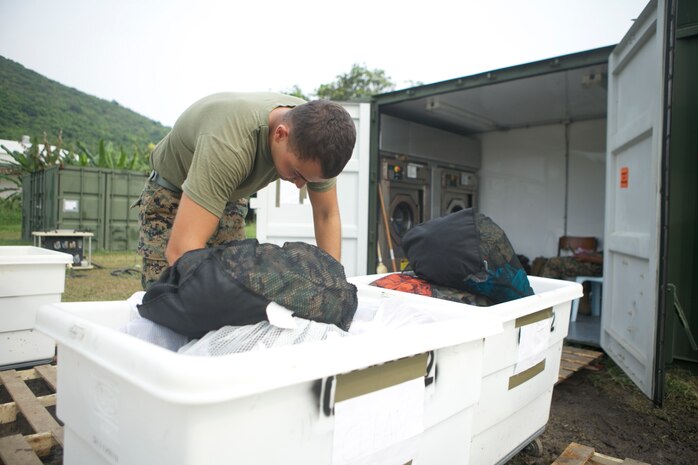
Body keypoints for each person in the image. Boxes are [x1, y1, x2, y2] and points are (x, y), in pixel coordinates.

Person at [134, 92, 357, 290]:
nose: (300, 185)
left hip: (229, 197)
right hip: (173, 195)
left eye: (309, 180)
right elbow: (182, 251)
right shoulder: (229, 145)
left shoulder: (320, 138)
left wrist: (332, 286)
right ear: (280, 135)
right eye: (297, 173)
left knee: (234, 284)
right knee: (172, 292)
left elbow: (326, 215)